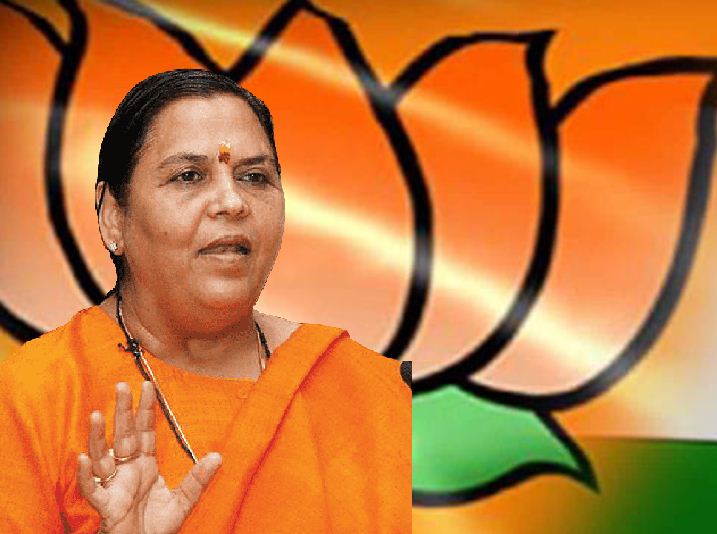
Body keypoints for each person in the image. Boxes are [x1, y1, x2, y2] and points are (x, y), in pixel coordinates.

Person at [0, 69, 411, 533]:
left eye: (254, 177)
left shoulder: (372, 391)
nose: (233, 202)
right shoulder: (33, 397)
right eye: (189, 176)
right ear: (113, 215)